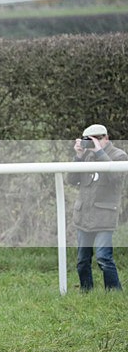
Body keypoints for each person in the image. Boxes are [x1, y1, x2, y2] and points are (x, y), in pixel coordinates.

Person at [68, 124, 127, 292]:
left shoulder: (119, 156)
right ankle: (86, 292)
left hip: (104, 216)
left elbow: (116, 177)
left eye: (98, 138)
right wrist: (78, 156)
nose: (94, 143)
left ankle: (114, 292)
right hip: (84, 216)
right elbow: (71, 180)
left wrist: (100, 152)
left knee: (103, 258)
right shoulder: (86, 156)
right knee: (82, 260)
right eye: (90, 140)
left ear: (106, 138)